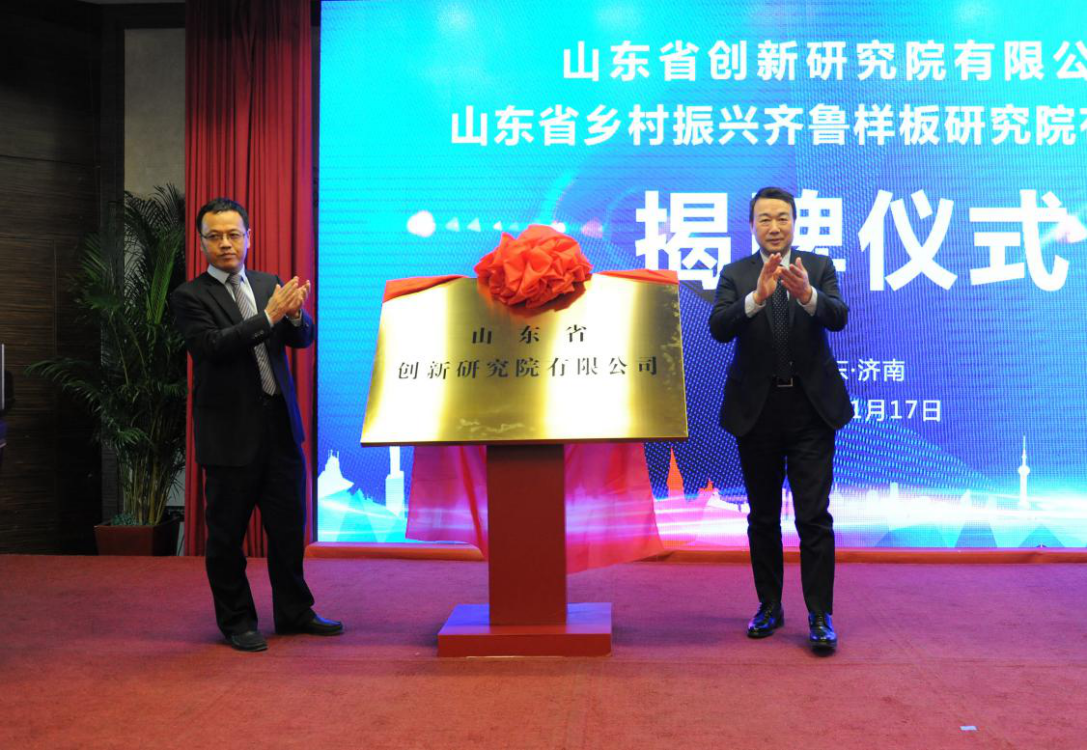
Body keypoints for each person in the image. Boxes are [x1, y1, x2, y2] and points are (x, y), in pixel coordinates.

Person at [172, 197, 341, 652]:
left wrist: (294, 315)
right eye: (215, 237)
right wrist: (268, 316)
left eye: (234, 234)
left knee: (287, 530)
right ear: (202, 242)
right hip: (229, 436)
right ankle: (238, 621)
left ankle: (294, 611)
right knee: (227, 537)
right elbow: (212, 346)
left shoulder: (269, 284)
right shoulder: (190, 296)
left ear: (249, 237)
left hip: (280, 430)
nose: (226, 244)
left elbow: (301, 339)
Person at [708, 186, 852, 652]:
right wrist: (756, 297)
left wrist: (807, 294)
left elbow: (838, 317)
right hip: (759, 412)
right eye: (765, 219)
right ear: (752, 225)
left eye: (782, 218)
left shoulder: (818, 267)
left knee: (814, 517)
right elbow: (719, 328)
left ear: (794, 222)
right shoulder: (736, 273)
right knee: (763, 517)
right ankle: (769, 606)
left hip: (810, 411)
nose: (774, 227)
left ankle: (820, 614)